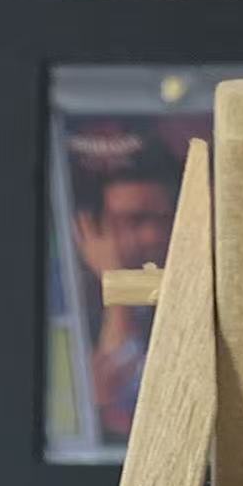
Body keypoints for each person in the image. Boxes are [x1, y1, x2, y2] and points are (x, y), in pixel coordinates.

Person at [71, 135, 183, 442]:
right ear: (91, 230)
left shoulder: (197, 290)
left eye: (163, 219)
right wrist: (119, 290)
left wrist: (119, 284)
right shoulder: (74, 303)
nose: (152, 236)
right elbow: (114, 391)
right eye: (131, 222)